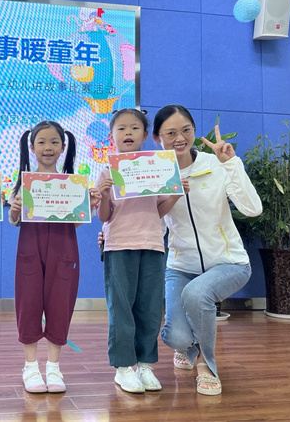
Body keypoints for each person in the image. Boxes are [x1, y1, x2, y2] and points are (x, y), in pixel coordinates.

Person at [153, 104, 262, 395]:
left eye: (186, 130)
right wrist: (111, 235)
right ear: (157, 138)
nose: (180, 138)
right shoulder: (157, 173)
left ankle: (206, 364)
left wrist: (231, 164)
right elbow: (154, 225)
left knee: (197, 293)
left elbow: (252, 209)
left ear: (194, 131)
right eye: (171, 133)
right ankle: (187, 346)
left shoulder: (215, 164)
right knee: (176, 336)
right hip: (181, 267)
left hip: (229, 263)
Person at [96, 109, 188, 394]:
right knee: (121, 308)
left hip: (152, 245)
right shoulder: (107, 172)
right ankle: (123, 368)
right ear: (111, 136)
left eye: (135, 128)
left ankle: (145, 365)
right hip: (118, 246)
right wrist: (104, 195)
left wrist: (175, 194)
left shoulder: (156, 167)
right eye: (121, 128)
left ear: (146, 135)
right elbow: (104, 216)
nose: (128, 133)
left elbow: (159, 211)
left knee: (150, 309)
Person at [8, 121, 101, 393]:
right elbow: (15, 220)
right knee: (28, 304)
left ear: (63, 147)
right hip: (30, 249)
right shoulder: (24, 183)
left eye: (54, 142)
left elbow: (75, 223)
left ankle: (53, 367)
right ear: (32, 147)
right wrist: (15, 210)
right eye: (42, 142)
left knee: (60, 304)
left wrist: (89, 206)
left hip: (64, 249)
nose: (47, 147)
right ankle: (30, 366)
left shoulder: (72, 185)